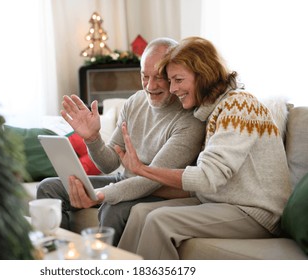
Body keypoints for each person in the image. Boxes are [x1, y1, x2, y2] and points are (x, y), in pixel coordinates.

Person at [115, 36, 292, 259]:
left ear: (203, 75)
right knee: (140, 212)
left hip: (256, 213)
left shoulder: (239, 104)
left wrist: (143, 170)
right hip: (220, 202)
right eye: (171, 81)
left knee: (160, 221)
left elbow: (208, 177)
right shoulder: (211, 111)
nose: (173, 89)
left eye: (178, 80)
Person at [36, 38, 206, 246]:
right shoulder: (135, 102)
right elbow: (108, 164)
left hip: (158, 190)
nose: (150, 86)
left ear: (173, 74)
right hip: (125, 180)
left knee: (113, 208)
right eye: (145, 76)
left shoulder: (189, 120)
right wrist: (92, 138)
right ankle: (62, 256)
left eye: (159, 77)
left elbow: (150, 179)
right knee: (49, 188)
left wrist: (99, 195)